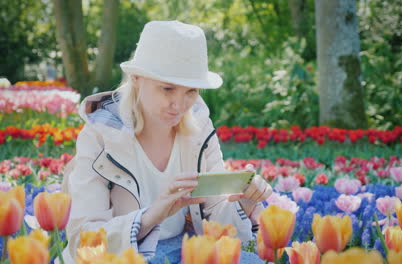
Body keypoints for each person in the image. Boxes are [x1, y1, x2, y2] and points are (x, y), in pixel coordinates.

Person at [61, 20, 272, 263]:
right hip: (125, 256)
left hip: (185, 248)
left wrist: (245, 200)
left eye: (191, 91)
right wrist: (153, 214)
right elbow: (84, 239)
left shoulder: (199, 129)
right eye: (168, 89)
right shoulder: (99, 136)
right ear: (136, 78)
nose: (179, 105)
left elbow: (217, 222)